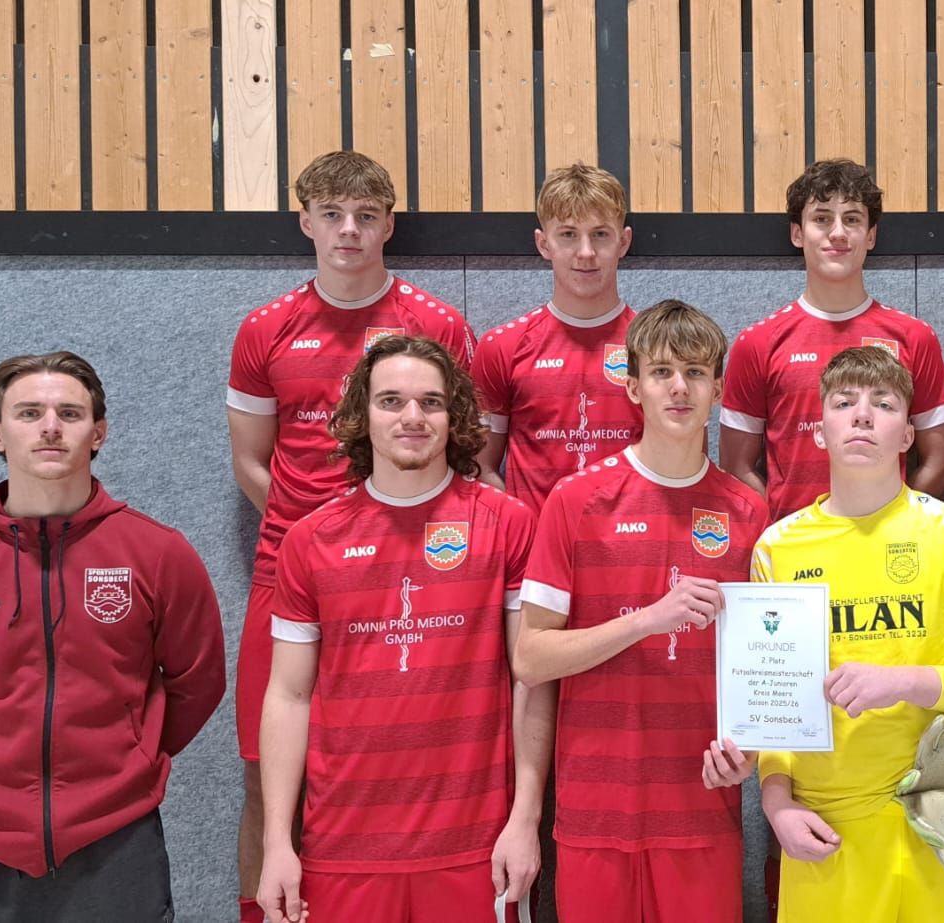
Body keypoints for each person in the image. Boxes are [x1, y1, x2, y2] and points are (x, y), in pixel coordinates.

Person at [227, 150, 477, 923]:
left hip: (417, 571)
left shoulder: (438, 324)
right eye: (332, 214)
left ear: (388, 225)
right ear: (304, 221)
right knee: (266, 771)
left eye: (366, 216)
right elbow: (250, 462)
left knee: (415, 759)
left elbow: (463, 447)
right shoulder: (264, 328)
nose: (349, 230)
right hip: (289, 570)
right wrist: (324, 539)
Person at [0, 351, 226, 922]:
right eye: (29, 413)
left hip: (115, 841)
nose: (50, 427)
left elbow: (198, 682)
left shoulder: (158, 554)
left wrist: (132, 753)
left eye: (69, 414)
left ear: (98, 433)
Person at [255, 335, 548, 923]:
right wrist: (277, 843)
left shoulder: (507, 524)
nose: (412, 416)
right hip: (343, 844)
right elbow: (288, 695)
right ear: (362, 415)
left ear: (454, 416)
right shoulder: (310, 540)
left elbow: (531, 680)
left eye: (430, 402)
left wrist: (525, 818)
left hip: (476, 845)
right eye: (391, 401)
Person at [513, 300, 769, 922]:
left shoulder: (749, 512)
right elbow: (531, 658)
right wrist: (647, 620)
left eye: (696, 373)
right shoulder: (575, 500)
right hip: (594, 812)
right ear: (633, 387)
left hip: (702, 810)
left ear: (717, 390)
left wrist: (754, 755)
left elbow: (767, 668)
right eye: (661, 372)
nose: (679, 387)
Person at [752, 345, 944, 922]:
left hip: (936, 821)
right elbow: (774, 706)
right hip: (826, 829)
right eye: (843, 403)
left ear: (907, 436)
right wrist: (777, 805)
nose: (863, 415)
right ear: (819, 432)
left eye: (885, 404)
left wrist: (898, 681)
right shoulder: (778, 547)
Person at [721, 158, 944, 518]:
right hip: (796, 546)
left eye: (852, 219)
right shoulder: (757, 343)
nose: (837, 233)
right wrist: (785, 530)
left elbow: (942, 460)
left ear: (871, 235)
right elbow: (736, 467)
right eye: (821, 218)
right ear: (797, 233)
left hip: (887, 541)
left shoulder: (914, 337)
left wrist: (894, 522)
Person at [473, 162, 644, 510]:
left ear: (623, 241)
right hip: (536, 542)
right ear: (543, 243)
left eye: (600, 234)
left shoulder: (656, 346)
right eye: (568, 234)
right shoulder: (502, 346)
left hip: (633, 539)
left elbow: (682, 464)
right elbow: (481, 468)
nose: (586, 252)